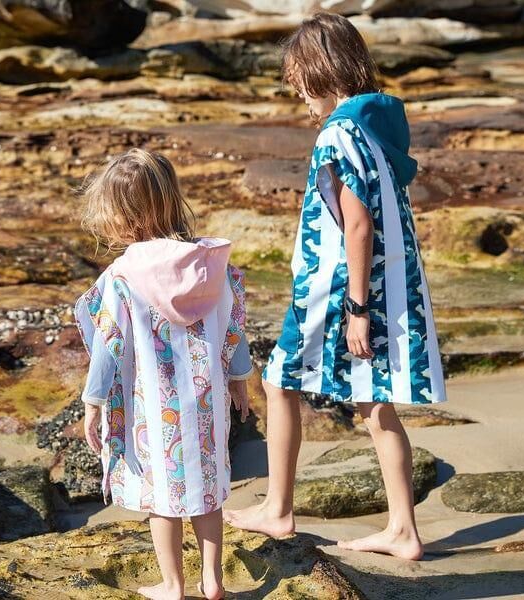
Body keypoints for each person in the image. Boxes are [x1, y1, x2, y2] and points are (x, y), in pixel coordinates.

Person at [224, 13, 447, 561]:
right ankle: (403, 529)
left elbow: (358, 225)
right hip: (388, 284)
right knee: (374, 404)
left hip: (335, 289)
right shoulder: (375, 127)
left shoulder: (338, 134)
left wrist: (356, 309)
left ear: (320, 70)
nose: (298, 92)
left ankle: (278, 508)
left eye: (298, 78)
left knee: (279, 381)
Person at [74, 148, 253, 599]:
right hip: (208, 404)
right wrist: (239, 379)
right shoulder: (210, 266)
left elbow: (110, 344)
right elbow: (235, 326)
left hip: (154, 412)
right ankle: (212, 580)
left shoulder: (123, 275)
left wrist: (93, 402)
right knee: (207, 493)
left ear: (126, 218)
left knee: (163, 500)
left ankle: (173, 584)